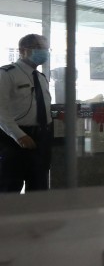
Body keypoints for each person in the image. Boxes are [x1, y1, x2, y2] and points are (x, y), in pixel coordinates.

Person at [0, 33, 54, 192]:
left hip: (41, 138)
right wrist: (19, 135)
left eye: (45, 48)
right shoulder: (6, 74)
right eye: (38, 48)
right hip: (15, 138)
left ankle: (37, 217)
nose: (44, 52)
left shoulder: (41, 77)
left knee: (39, 187)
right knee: (10, 188)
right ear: (23, 50)